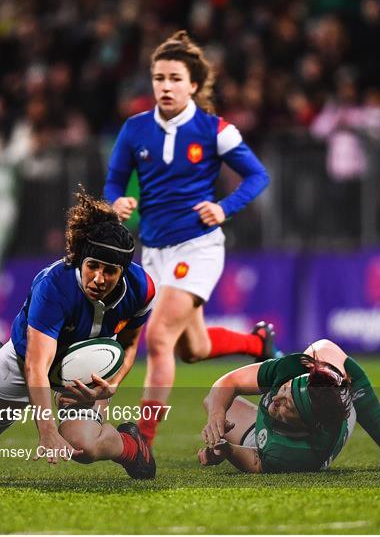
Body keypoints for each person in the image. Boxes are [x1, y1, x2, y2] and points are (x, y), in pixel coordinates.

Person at [104, 30, 272, 447]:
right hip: (154, 251)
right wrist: (117, 202)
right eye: (159, 77)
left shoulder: (215, 129)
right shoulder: (134, 129)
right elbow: (112, 182)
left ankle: (142, 441)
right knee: (191, 348)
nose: (165, 86)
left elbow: (258, 175)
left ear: (193, 84)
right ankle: (257, 343)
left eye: (175, 78)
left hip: (198, 247)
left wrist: (224, 207)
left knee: (159, 337)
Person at [0, 190, 156, 479]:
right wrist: (46, 430)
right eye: (92, 266)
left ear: (123, 272)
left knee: (83, 445)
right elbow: (37, 367)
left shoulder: (142, 289)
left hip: (84, 365)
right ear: (81, 260)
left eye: (109, 271)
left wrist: (112, 384)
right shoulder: (53, 287)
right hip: (27, 361)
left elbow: (130, 344)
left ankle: (132, 447)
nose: (98, 278)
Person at [199, 338, 380, 473]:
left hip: (308, 435)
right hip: (291, 414)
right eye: (285, 389)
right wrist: (216, 414)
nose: (275, 399)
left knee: (347, 385)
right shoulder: (291, 370)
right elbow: (228, 382)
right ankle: (274, 358)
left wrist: (226, 451)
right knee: (324, 348)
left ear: (306, 424)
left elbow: (257, 462)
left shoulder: (296, 453)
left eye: (288, 406)